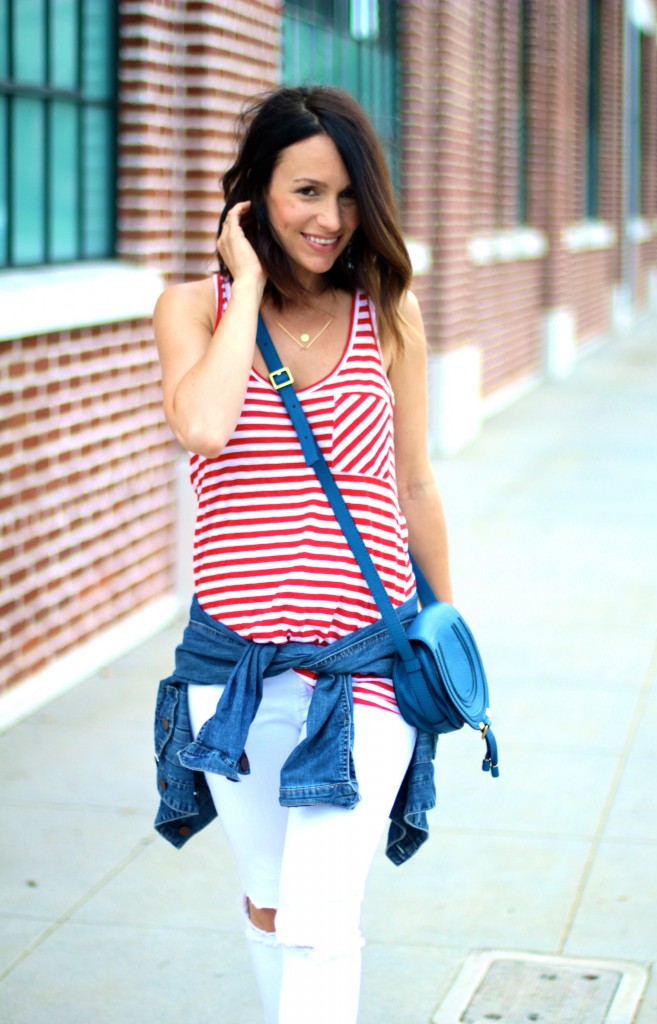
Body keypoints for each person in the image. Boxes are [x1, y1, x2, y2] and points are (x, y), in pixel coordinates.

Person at [152, 85, 453, 1024]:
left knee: (321, 918)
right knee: (274, 905)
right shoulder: (191, 310)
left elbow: (415, 486)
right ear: (254, 196)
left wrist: (444, 633)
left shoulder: (386, 315)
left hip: (363, 666)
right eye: (306, 192)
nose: (331, 219)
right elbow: (202, 424)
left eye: (349, 196)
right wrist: (240, 287)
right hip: (233, 673)